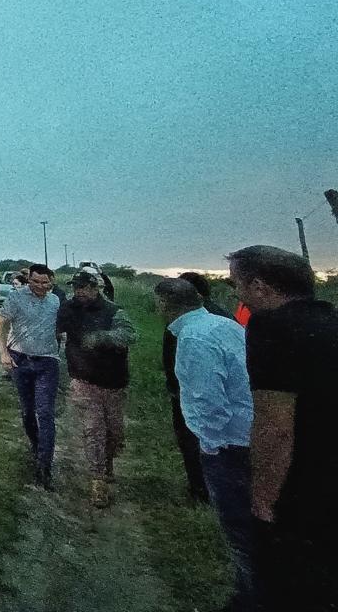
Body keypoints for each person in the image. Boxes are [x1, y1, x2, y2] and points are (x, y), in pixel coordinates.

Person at [229, 245, 337, 612]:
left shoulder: (270, 325)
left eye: (237, 285)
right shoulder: (330, 320)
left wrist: (262, 498)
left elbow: (275, 425)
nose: (236, 294)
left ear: (259, 286)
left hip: (300, 481)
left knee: (284, 584)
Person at [154, 277, 255, 612]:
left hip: (227, 444)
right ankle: (252, 589)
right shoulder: (224, 324)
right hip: (249, 432)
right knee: (254, 526)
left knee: (240, 530)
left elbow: (208, 402)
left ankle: (254, 597)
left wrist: (208, 446)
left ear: (164, 304)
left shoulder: (193, 339)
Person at [58, 269, 137, 508]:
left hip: (113, 381)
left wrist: (102, 337)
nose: (79, 291)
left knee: (114, 432)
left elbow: (130, 335)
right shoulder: (67, 309)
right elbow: (53, 328)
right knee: (94, 430)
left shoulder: (114, 311)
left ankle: (107, 462)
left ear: (96, 288)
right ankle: (97, 479)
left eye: (84, 287)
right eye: (76, 287)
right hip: (83, 379)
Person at [162, 271, 232, 503]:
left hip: (194, 392)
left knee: (196, 440)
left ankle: (202, 491)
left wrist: (178, 388)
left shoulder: (193, 327)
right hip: (191, 390)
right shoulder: (222, 317)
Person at [0, 262, 62, 487]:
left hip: (48, 362)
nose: (40, 286)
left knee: (45, 413)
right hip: (21, 360)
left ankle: (45, 466)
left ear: (51, 281)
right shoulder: (16, 298)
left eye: (45, 282)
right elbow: (0, 324)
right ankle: (36, 445)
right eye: (35, 282)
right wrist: (3, 352)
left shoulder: (56, 300)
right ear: (28, 279)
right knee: (27, 411)